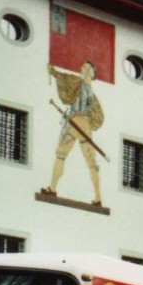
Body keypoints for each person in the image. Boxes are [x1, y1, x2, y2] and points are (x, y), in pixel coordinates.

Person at [42, 61, 104, 205]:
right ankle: (98, 197)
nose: (81, 68)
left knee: (62, 155)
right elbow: (98, 117)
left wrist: (52, 71)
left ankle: (52, 188)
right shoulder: (93, 96)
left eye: (84, 67)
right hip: (79, 124)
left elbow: (64, 78)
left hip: (75, 122)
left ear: (90, 71)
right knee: (89, 161)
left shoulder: (78, 83)